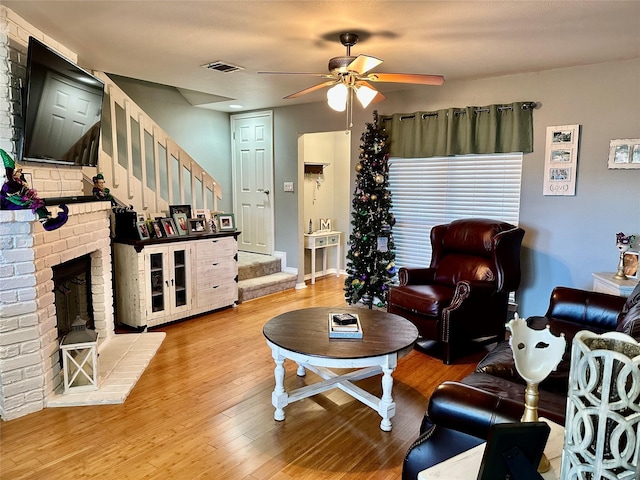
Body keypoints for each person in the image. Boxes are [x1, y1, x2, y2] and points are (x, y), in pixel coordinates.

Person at [1, 149, 68, 231]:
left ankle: (52, 221)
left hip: (25, 202)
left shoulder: (19, 182)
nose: (20, 172)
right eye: (18, 171)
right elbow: (9, 188)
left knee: (39, 209)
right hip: (13, 202)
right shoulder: (11, 185)